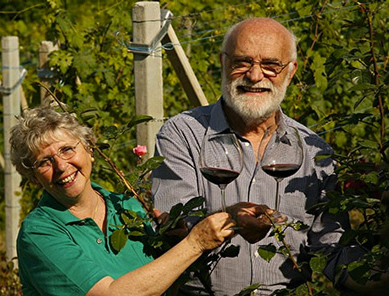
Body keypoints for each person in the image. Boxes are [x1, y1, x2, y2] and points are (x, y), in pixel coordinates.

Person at [151, 17, 353, 295]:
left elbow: (331, 246)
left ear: (290, 71)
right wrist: (229, 221)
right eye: (242, 62)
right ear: (224, 64)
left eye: (271, 65)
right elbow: (172, 222)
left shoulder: (313, 149)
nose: (255, 76)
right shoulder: (182, 135)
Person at [10, 106, 236, 296]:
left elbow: (161, 283)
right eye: (45, 162)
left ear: (90, 149)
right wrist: (194, 244)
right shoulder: (39, 234)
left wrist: (172, 244)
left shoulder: (125, 207)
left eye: (67, 149)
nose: (61, 166)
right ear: (34, 177)